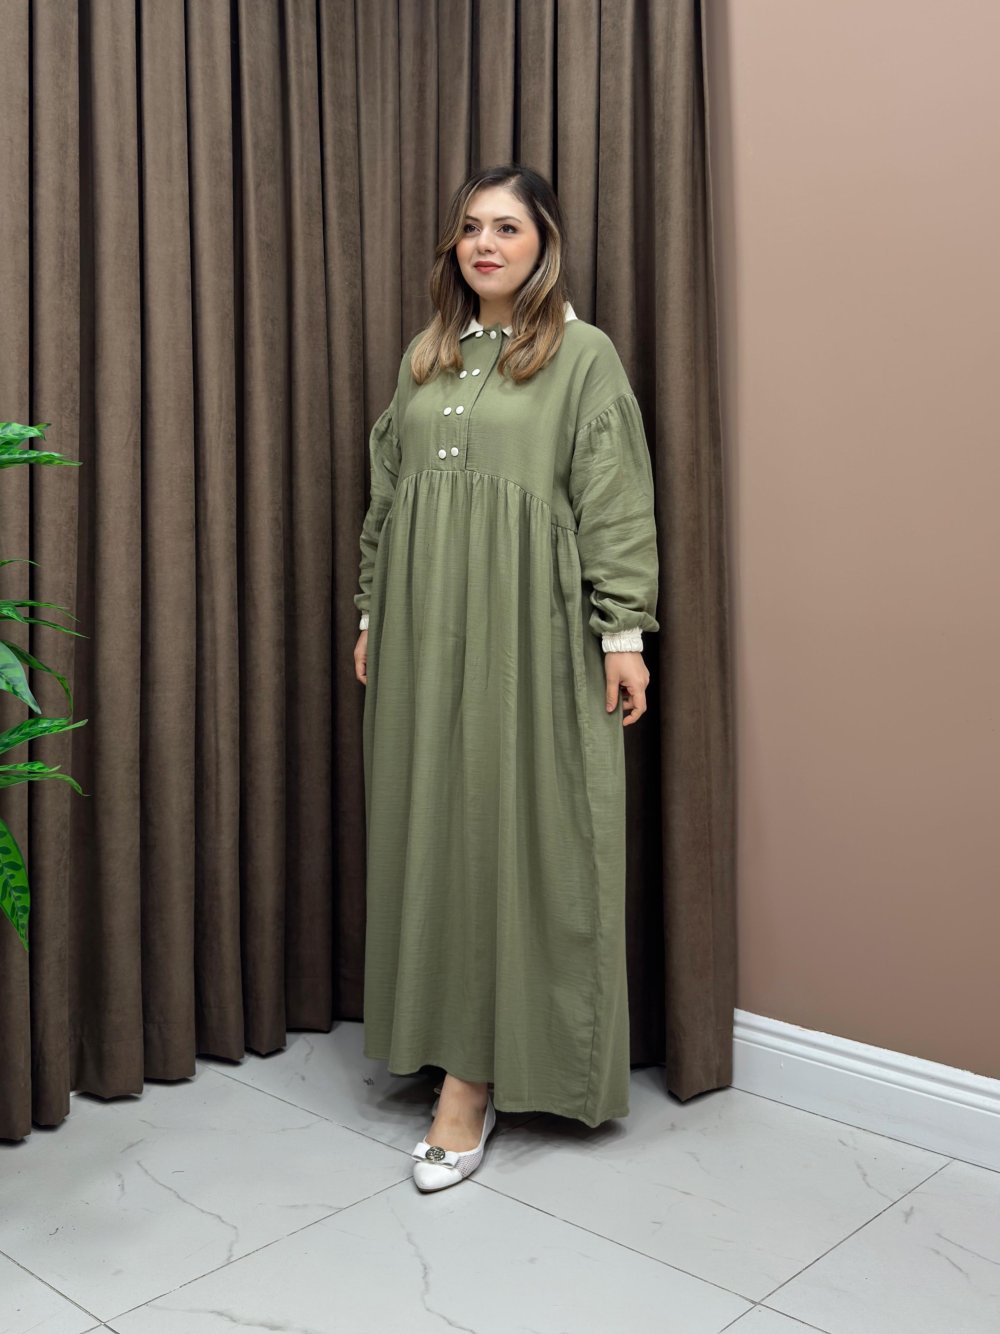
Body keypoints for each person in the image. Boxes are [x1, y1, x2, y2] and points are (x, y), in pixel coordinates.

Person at [353, 163, 659, 1192]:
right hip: (418, 624)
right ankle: (436, 1036)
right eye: (471, 227)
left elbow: (613, 495)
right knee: (431, 825)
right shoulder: (426, 354)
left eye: (508, 228)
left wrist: (622, 633)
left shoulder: (582, 355)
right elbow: (387, 490)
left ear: (543, 244)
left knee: (515, 831)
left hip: (527, 626)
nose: (485, 244)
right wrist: (370, 610)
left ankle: (474, 1078)